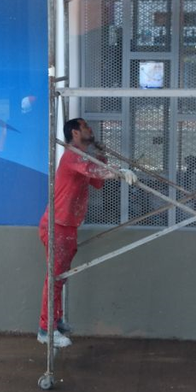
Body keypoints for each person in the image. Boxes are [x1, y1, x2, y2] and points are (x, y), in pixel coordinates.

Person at [38, 118, 137, 347]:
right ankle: (45, 329)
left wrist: (103, 158)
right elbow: (94, 171)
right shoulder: (73, 155)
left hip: (68, 226)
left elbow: (96, 181)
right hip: (57, 226)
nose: (90, 130)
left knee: (59, 278)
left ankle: (55, 320)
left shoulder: (83, 158)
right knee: (54, 278)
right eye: (85, 127)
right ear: (75, 132)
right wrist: (120, 172)